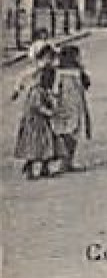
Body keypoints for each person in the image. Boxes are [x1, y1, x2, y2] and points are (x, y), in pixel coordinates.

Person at [13, 43, 58, 180]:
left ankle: (44, 167)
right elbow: (37, 105)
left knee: (47, 143)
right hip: (34, 122)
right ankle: (30, 167)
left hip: (42, 121)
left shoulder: (48, 75)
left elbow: (50, 91)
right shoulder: (35, 89)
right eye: (47, 57)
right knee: (35, 145)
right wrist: (49, 112)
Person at [51, 44, 92, 172]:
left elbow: (55, 91)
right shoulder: (74, 72)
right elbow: (86, 84)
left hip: (65, 105)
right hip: (72, 105)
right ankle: (66, 162)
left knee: (66, 133)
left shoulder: (59, 72)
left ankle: (66, 162)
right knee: (71, 133)